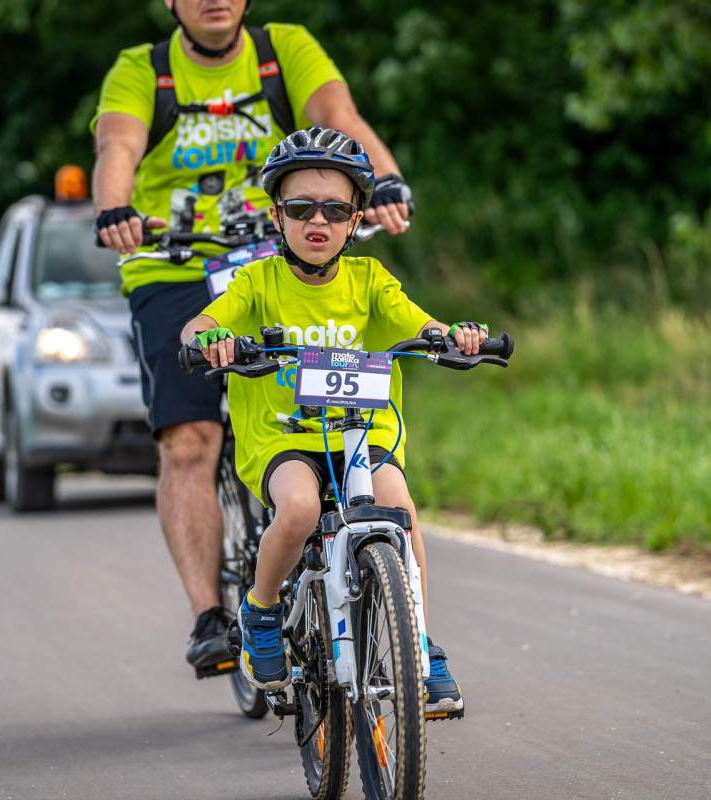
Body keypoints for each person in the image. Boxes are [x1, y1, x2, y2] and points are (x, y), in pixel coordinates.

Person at [90, 0, 414, 677]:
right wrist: (115, 206)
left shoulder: (282, 49)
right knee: (191, 439)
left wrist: (382, 180)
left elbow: (339, 120)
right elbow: (117, 144)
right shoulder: (143, 69)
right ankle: (212, 614)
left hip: (279, 252)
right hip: (173, 262)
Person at [180, 127, 487, 715]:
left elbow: (419, 325)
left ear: (355, 219)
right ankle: (262, 612)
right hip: (283, 434)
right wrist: (213, 338)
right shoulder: (256, 281)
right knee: (296, 509)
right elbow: (200, 325)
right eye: (300, 208)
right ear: (277, 217)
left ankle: (417, 646)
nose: (316, 220)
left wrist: (453, 338)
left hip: (360, 434)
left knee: (398, 506)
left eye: (335, 208)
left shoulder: (371, 279)